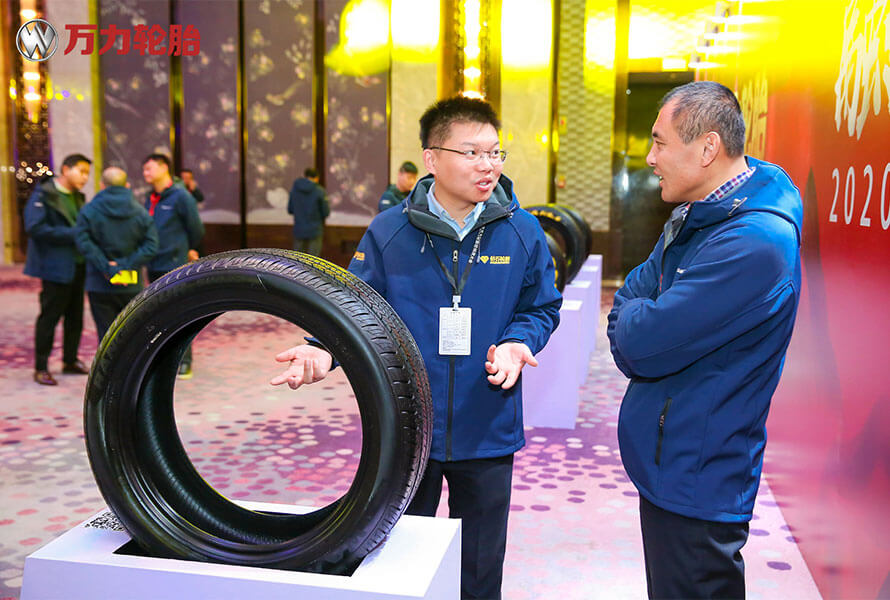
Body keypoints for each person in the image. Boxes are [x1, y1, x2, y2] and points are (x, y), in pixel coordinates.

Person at [271, 96, 561, 599]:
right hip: (408, 426)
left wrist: (519, 341)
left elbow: (541, 306)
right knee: (399, 560)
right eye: (471, 152)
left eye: (495, 152)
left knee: (480, 565)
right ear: (432, 158)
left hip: (487, 421)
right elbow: (356, 305)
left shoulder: (522, 230)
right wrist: (323, 348)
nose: (488, 165)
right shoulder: (389, 231)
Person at [607, 81, 802, 600]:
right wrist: (639, 312)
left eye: (660, 142)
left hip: (699, 469)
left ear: (708, 147)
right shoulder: (705, 213)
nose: (650, 159)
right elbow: (633, 294)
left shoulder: (753, 243)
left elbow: (639, 343)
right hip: (674, 456)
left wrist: (638, 315)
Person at [24, 153, 93, 385]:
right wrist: (73, 234)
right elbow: (35, 228)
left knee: (75, 317)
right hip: (54, 266)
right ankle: (41, 367)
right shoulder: (44, 194)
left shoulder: (78, 197)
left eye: (87, 173)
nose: (85, 177)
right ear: (65, 169)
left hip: (78, 264)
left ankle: (70, 360)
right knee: (50, 316)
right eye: (81, 171)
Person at [75, 167, 158, 342]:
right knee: (131, 334)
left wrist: (107, 267)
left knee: (106, 337)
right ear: (126, 185)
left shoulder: (89, 210)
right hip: (130, 281)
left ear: (102, 185)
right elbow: (151, 245)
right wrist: (125, 266)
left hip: (99, 281)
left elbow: (83, 242)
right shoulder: (140, 212)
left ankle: (107, 362)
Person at [142, 153, 204, 379]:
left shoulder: (181, 196)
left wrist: (188, 248)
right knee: (157, 312)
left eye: (149, 169)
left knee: (180, 310)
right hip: (153, 262)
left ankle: (185, 360)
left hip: (175, 263)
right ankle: (163, 359)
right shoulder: (150, 197)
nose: (145, 173)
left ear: (163, 168)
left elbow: (196, 229)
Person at [287, 167, 330, 256]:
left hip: (299, 228)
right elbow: (325, 212)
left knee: (297, 259)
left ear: (305, 176)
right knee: (313, 259)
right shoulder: (319, 191)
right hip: (315, 229)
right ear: (316, 178)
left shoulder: (294, 190)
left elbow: (290, 209)